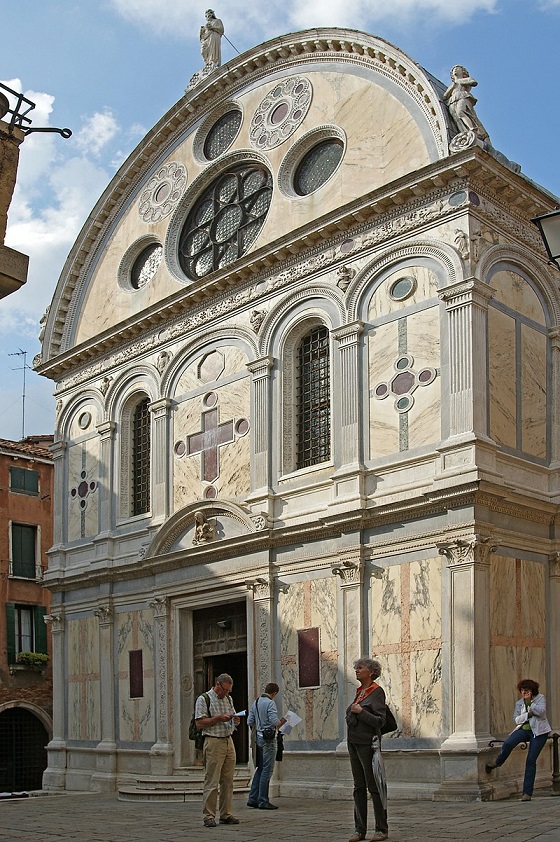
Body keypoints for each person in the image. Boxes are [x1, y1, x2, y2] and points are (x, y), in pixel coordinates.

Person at [486, 678, 551, 801]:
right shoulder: (519, 703)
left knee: (530, 760)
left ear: (532, 691)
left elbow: (541, 713)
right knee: (509, 743)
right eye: (522, 690)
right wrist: (528, 714)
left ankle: (527, 793)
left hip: (539, 732)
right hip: (524, 730)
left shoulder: (540, 698)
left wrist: (531, 703)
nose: (524, 693)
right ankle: (498, 762)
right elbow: (516, 719)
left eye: (526, 690)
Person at [346, 658, 389, 842]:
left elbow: (380, 721)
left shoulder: (376, 692)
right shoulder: (360, 692)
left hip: (367, 744)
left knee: (374, 786)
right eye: (356, 668)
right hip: (353, 742)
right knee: (358, 787)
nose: (356, 670)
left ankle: (381, 828)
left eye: (360, 668)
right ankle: (359, 829)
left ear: (371, 672)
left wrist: (360, 712)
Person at [195, 672, 241, 827]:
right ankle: (208, 815)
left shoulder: (228, 699)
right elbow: (200, 723)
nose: (227, 693)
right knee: (212, 780)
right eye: (225, 690)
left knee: (228, 780)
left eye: (229, 691)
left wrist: (236, 720)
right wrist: (217, 718)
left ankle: (226, 814)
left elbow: (234, 717)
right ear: (217, 685)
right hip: (213, 741)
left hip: (228, 740)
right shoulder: (204, 699)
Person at [246, 682, 286, 810]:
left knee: (260, 768)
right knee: (267, 771)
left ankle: (253, 798)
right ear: (274, 693)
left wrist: (259, 727)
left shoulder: (256, 702)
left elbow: (249, 721)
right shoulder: (270, 703)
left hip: (258, 738)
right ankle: (263, 800)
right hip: (269, 740)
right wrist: (285, 720)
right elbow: (275, 722)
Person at [443, 65, 489, 142]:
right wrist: (452, 87)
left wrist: (460, 81)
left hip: (462, 96)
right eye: (454, 69)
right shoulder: (453, 84)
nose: (455, 70)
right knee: (456, 117)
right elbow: (445, 96)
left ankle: (472, 129)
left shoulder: (464, 80)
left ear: (463, 71)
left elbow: (473, 82)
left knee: (461, 112)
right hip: (453, 100)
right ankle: (465, 131)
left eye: (457, 69)